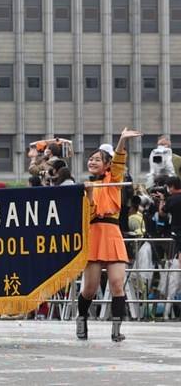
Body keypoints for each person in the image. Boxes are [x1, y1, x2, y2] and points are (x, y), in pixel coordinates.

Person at [76, 127, 142, 342]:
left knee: (116, 284)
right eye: (90, 159)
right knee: (90, 288)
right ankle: (82, 318)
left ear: (106, 164)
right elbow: (89, 213)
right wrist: (87, 192)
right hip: (94, 234)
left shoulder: (113, 180)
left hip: (112, 233)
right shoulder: (85, 186)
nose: (92, 162)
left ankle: (116, 329)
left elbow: (120, 160)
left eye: (97, 159)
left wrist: (122, 140)